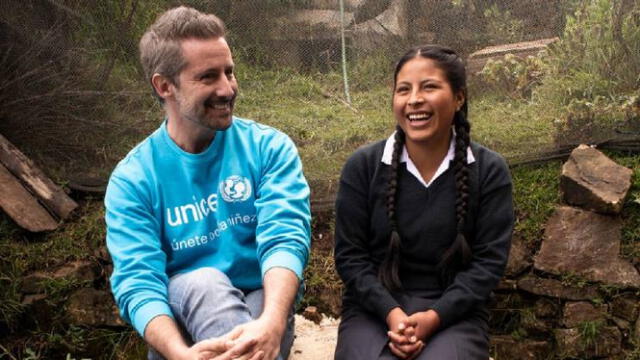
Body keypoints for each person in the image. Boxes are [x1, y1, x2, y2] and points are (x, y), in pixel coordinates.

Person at [104, 6, 311, 360]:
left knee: (252, 320)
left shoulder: (268, 148)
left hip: (263, 306)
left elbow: (285, 236)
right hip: (182, 326)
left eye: (229, 72)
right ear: (164, 85)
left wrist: (273, 323)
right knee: (203, 283)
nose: (227, 88)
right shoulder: (134, 179)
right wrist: (179, 353)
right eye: (208, 77)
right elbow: (139, 281)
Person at [333, 45, 514, 359]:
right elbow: (350, 258)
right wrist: (391, 312)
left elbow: (488, 264)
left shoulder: (489, 171)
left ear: (459, 97)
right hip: (373, 310)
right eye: (404, 89)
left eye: (429, 86)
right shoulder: (363, 167)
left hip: (454, 313)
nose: (414, 99)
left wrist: (435, 317)